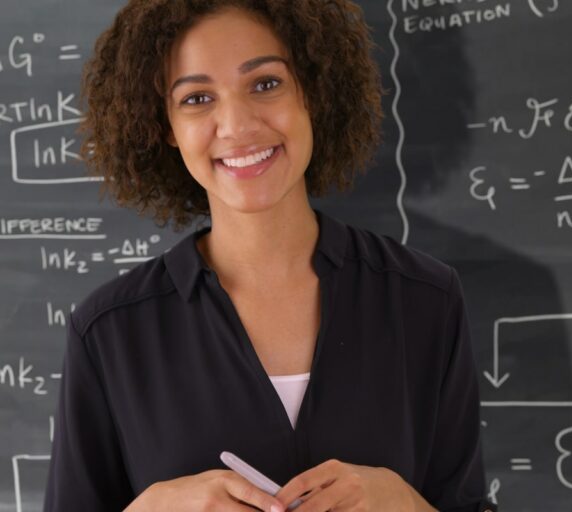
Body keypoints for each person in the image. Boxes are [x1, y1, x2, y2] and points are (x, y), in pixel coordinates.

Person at [43, 1, 494, 511]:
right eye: (196, 98)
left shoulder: (425, 300)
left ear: (313, 89)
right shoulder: (108, 333)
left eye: (264, 84)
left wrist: (407, 505)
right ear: (165, 125)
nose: (235, 125)